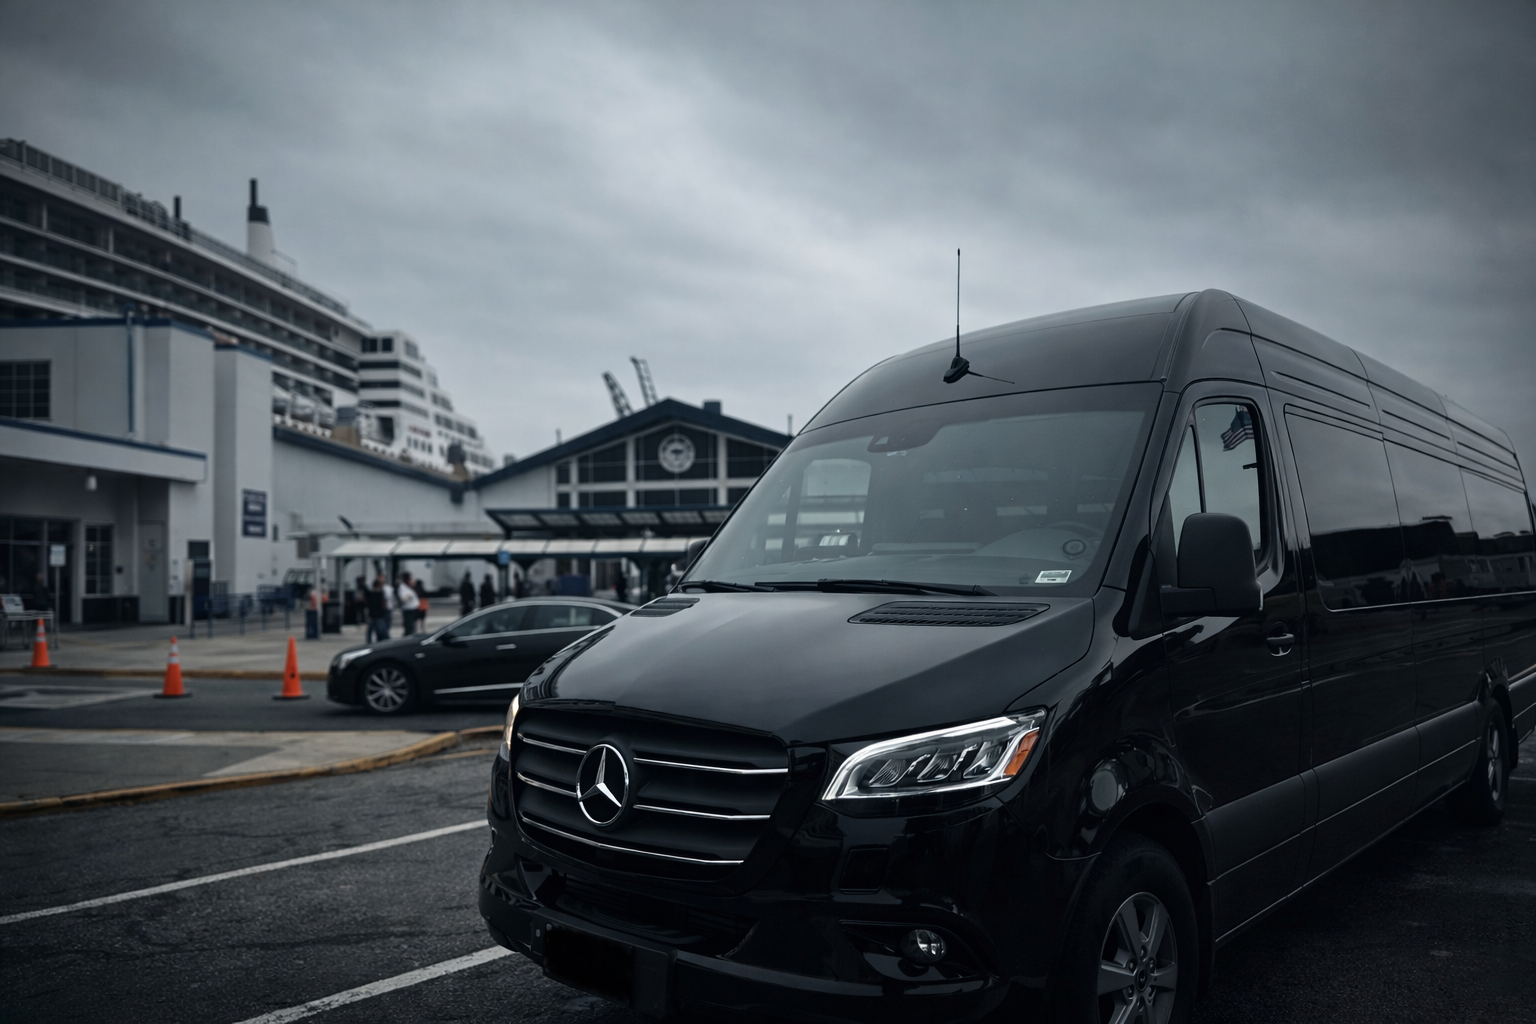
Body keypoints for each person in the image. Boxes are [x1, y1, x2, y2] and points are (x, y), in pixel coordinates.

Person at [365, 575, 391, 641]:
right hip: (380, 614)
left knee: (371, 631)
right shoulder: (381, 592)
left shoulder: (370, 593)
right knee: (382, 632)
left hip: (373, 614)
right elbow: (384, 604)